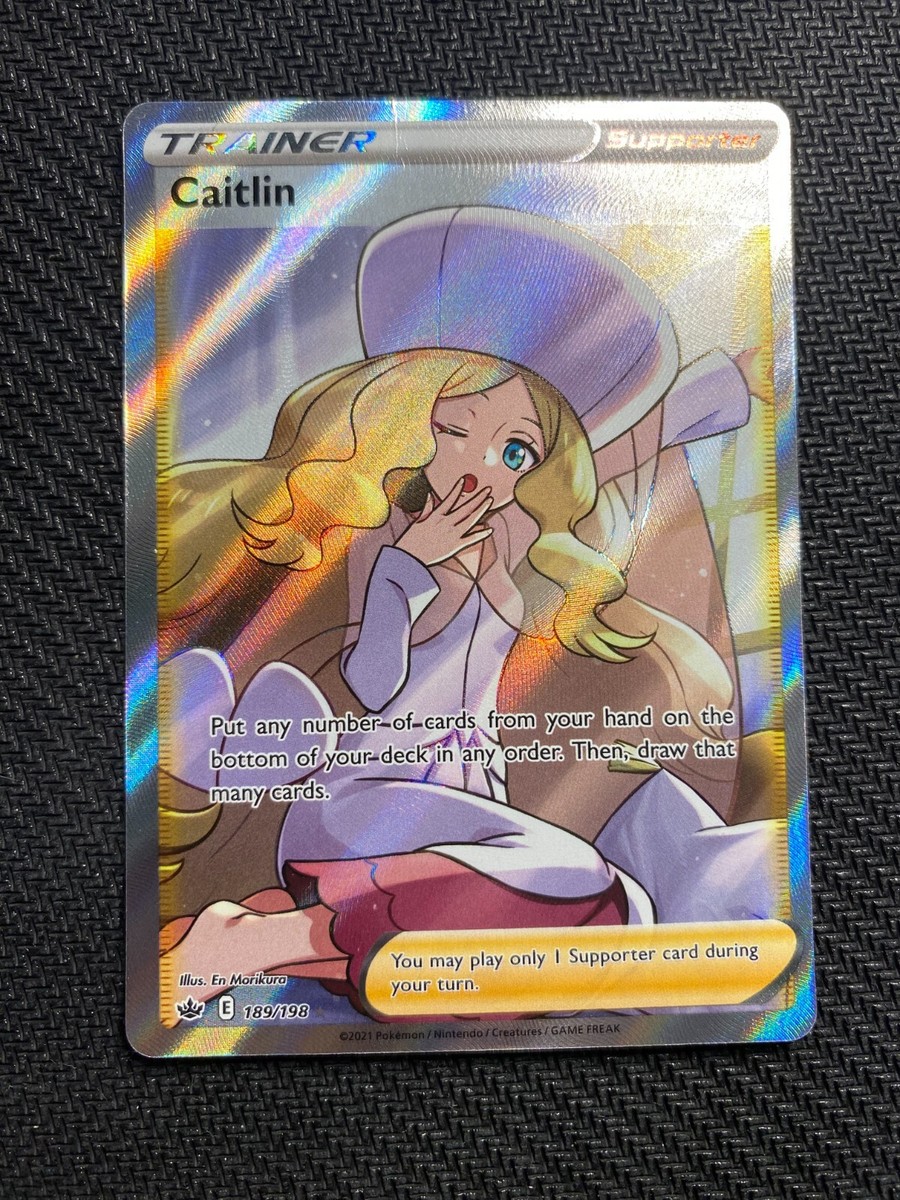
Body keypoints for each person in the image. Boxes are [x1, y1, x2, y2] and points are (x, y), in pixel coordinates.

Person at [158, 207, 778, 1018]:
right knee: (571, 876)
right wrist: (406, 573)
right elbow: (370, 685)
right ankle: (266, 939)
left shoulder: (505, 543)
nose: (485, 468)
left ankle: (288, 931)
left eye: (516, 451)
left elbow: (616, 448)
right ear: (402, 421)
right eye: (456, 429)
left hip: (472, 815)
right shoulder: (377, 543)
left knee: (634, 838)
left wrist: (729, 384)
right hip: (361, 807)